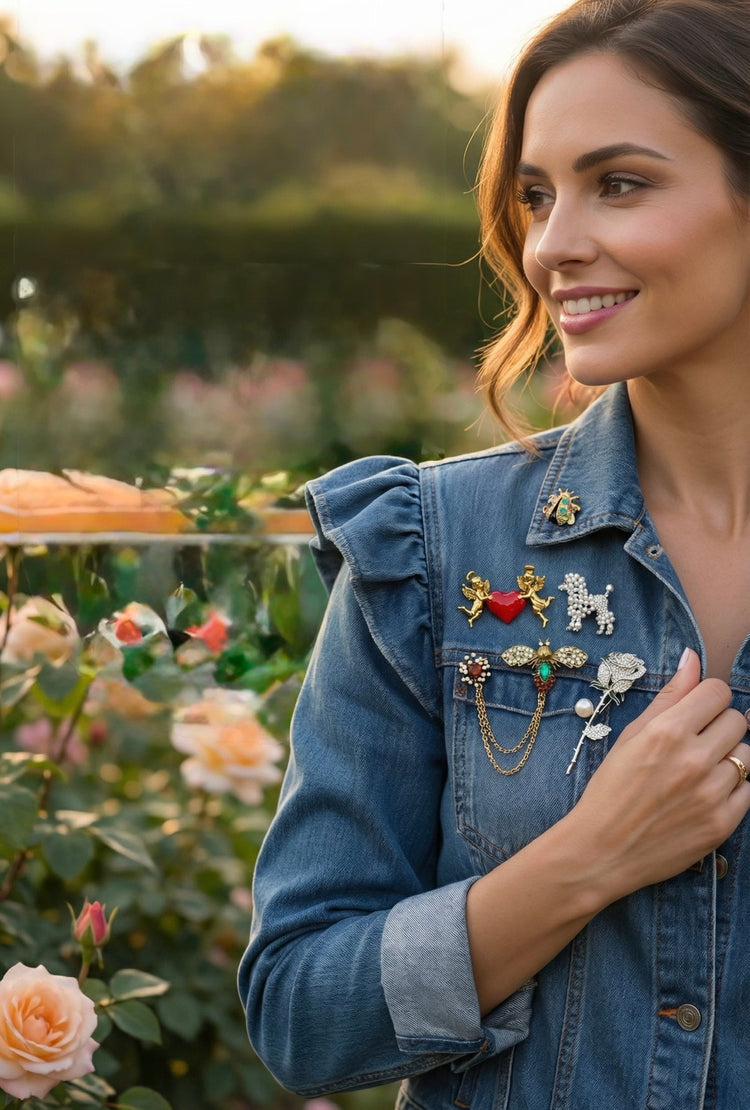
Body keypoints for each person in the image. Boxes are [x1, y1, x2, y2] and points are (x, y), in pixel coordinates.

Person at [238, 1, 750, 1105]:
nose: (553, 242)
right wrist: (585, 862)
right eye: (535, 193)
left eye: (621, 183)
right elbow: (299, 1010)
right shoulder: (429, 553)